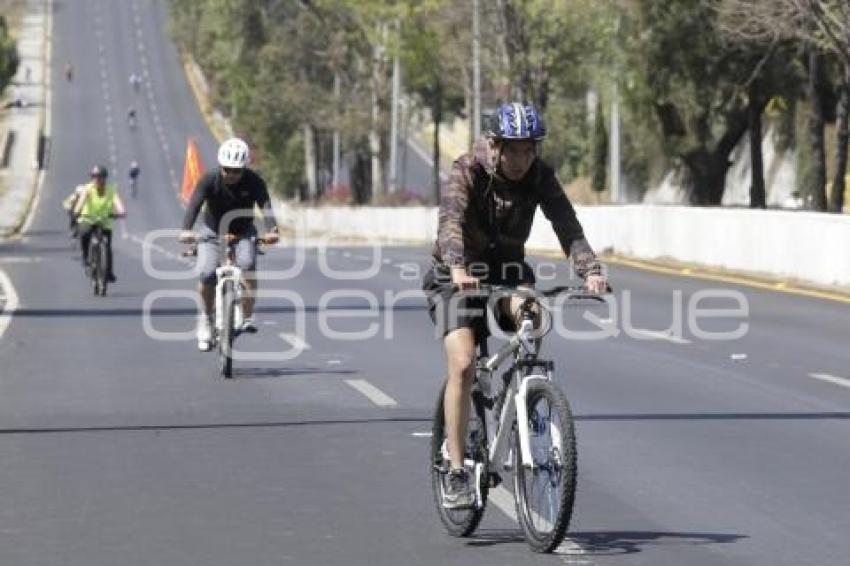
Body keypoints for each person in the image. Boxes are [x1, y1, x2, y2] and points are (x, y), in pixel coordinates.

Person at [422, 102, 608, 509]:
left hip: (506, 272)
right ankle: (456, 469)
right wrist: (456, 266)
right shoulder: (467, 170)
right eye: (514, 149)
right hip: (456, 275)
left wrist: (589, 269)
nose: (523, 159)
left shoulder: (539, 176)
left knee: (534, 317)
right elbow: (450, 220)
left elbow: (566, 222)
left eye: (530, 149)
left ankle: (520, 393)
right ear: (495, 146)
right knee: (464, 364)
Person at [178, 138, 280, 351]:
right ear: (220, 166)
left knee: (248, 264)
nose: (232, 175)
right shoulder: (208, 179)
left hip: (243, 231)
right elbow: (194, 204)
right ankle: (206, 319)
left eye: (237, 171)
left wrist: (272, 230)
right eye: (227, 170)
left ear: (244, 169)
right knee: (207, 273)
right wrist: (186, 230)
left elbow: (265, 205)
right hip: (212, 231)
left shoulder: (254, 181)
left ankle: (248, 316)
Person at [73, 165, 126, 282]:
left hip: (105, 221)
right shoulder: (88, 189)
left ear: (104, 178)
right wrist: (77, 212)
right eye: (94, 177)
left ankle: (108, 272)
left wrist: (121, 212)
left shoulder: (111, 190)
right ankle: (86, 258)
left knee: (107, 247)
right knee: (85, 234)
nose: (97, 180)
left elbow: (118, 203)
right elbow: (80, 202)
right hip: (88, 219)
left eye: (99, 177)